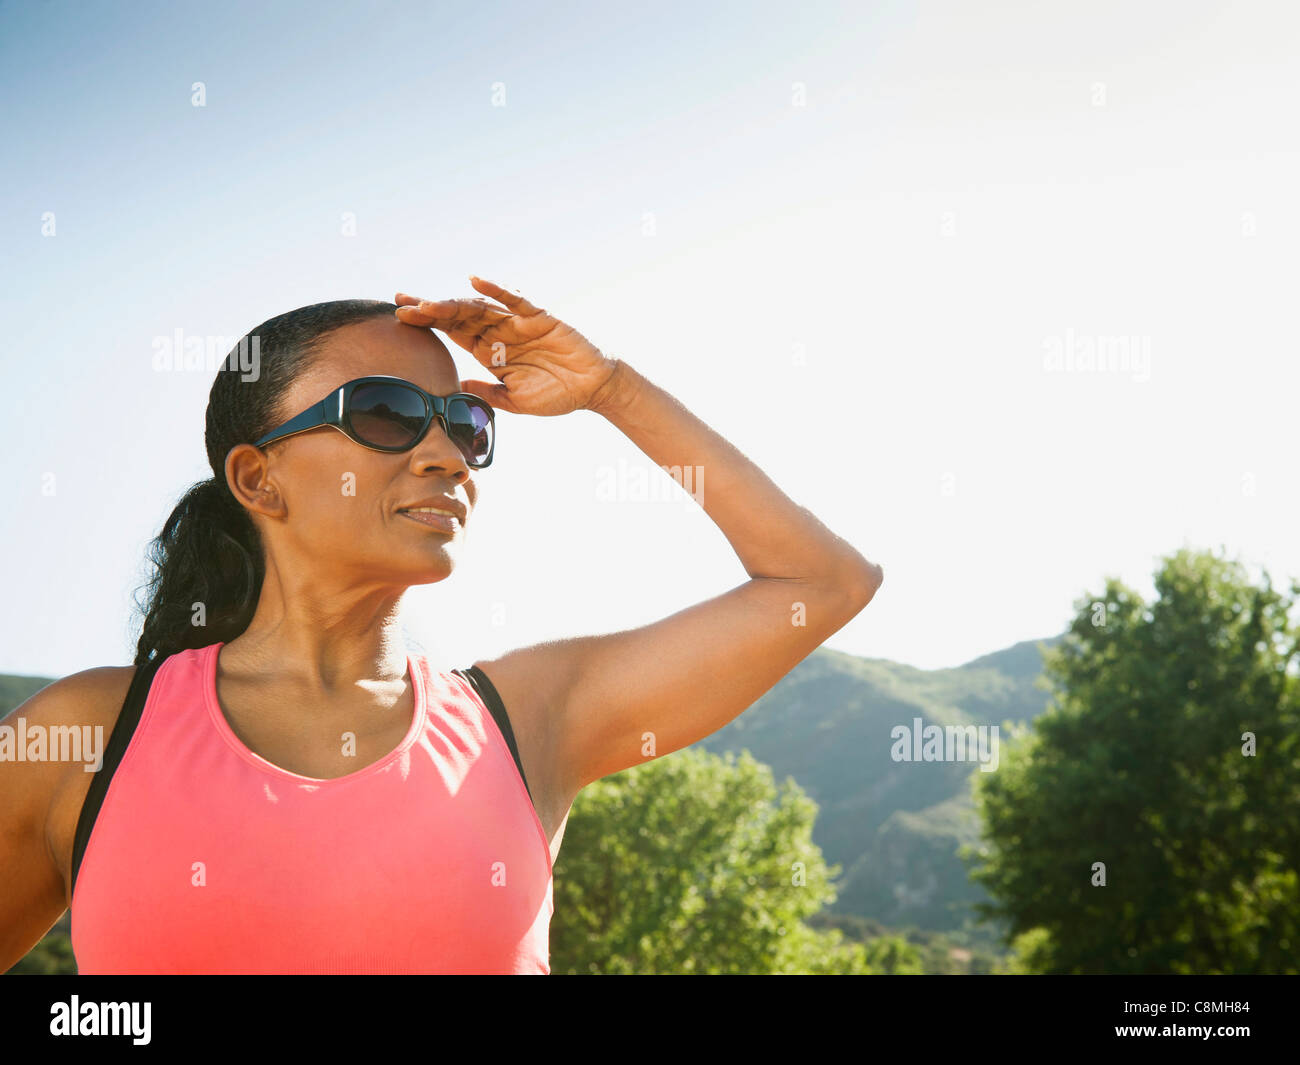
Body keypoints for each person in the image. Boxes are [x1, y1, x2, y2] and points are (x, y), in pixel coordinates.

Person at [0, 276, 883, 974]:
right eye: (385, 413)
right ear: (257, 479)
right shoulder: (87, 734)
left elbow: (824, 580)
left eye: (465, 422)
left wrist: (609, 388)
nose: (447, 454)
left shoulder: (529, 720)